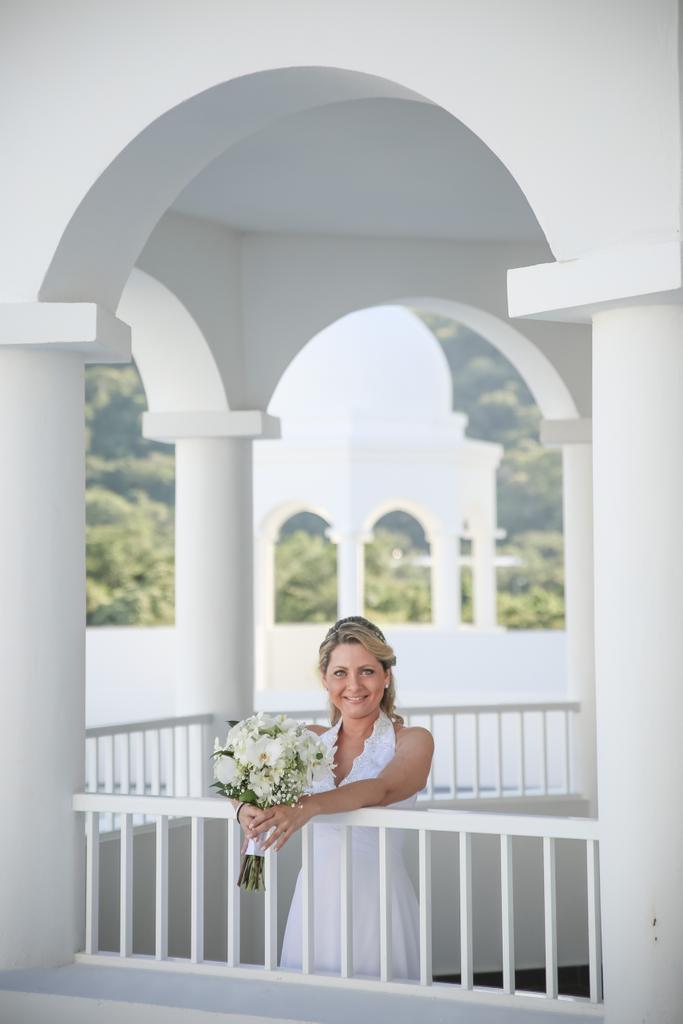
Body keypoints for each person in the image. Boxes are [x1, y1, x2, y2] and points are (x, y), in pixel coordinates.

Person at [240, 616, 434, 979]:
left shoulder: (413, 740)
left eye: (367, 671)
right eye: (341, 673)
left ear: (386, 676)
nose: (354, 685)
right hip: (313, 904)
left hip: (379, 905)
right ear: (326, 680)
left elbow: (383, 788)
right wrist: (242, 808)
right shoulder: (306, 740)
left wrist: (309, 806)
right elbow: (242, 771)